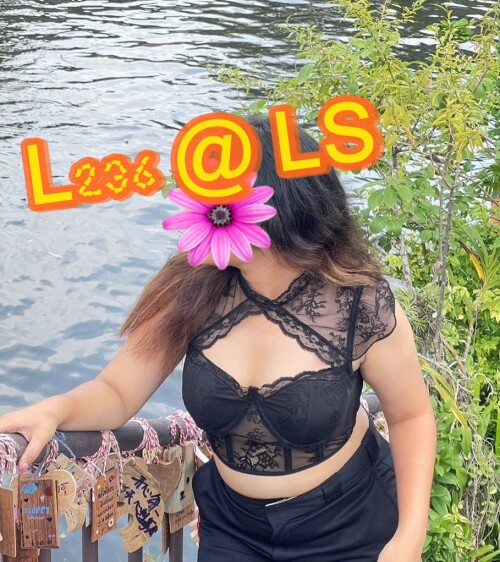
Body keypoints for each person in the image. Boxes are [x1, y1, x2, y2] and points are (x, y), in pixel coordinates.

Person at [0, 116, 436, 562]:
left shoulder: (358, 303)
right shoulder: (191, 288)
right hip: (232, 528)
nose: (199, 210)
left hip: (348, 521)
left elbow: (410, 416)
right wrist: (55, 409)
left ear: (274, 205)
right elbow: (117, 391)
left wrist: (409, 538)